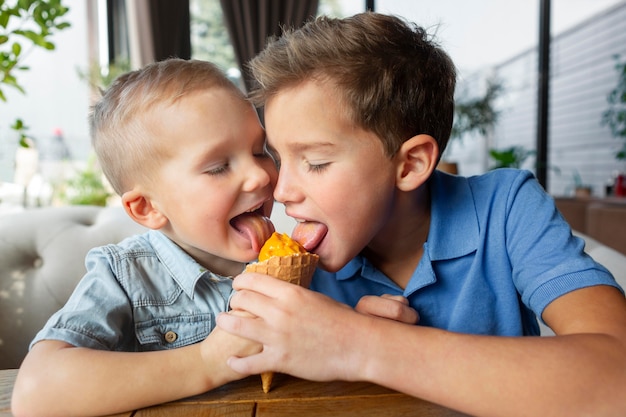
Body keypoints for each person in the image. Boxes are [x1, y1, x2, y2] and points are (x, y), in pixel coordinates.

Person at [216, 12, 626, 417]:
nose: (282, 191)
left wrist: (359, 343)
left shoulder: (507, 207)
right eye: (278, 158)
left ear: (410, 165)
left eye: (317, 162)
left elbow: (616, 373)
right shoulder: (306, 270)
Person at [11, 58, 277, 417]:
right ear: (147, 208)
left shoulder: (300, 263)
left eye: (261, 151)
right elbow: (35, 395)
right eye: (218, 167)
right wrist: (208, 361)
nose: (260, 176)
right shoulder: (124, 276)